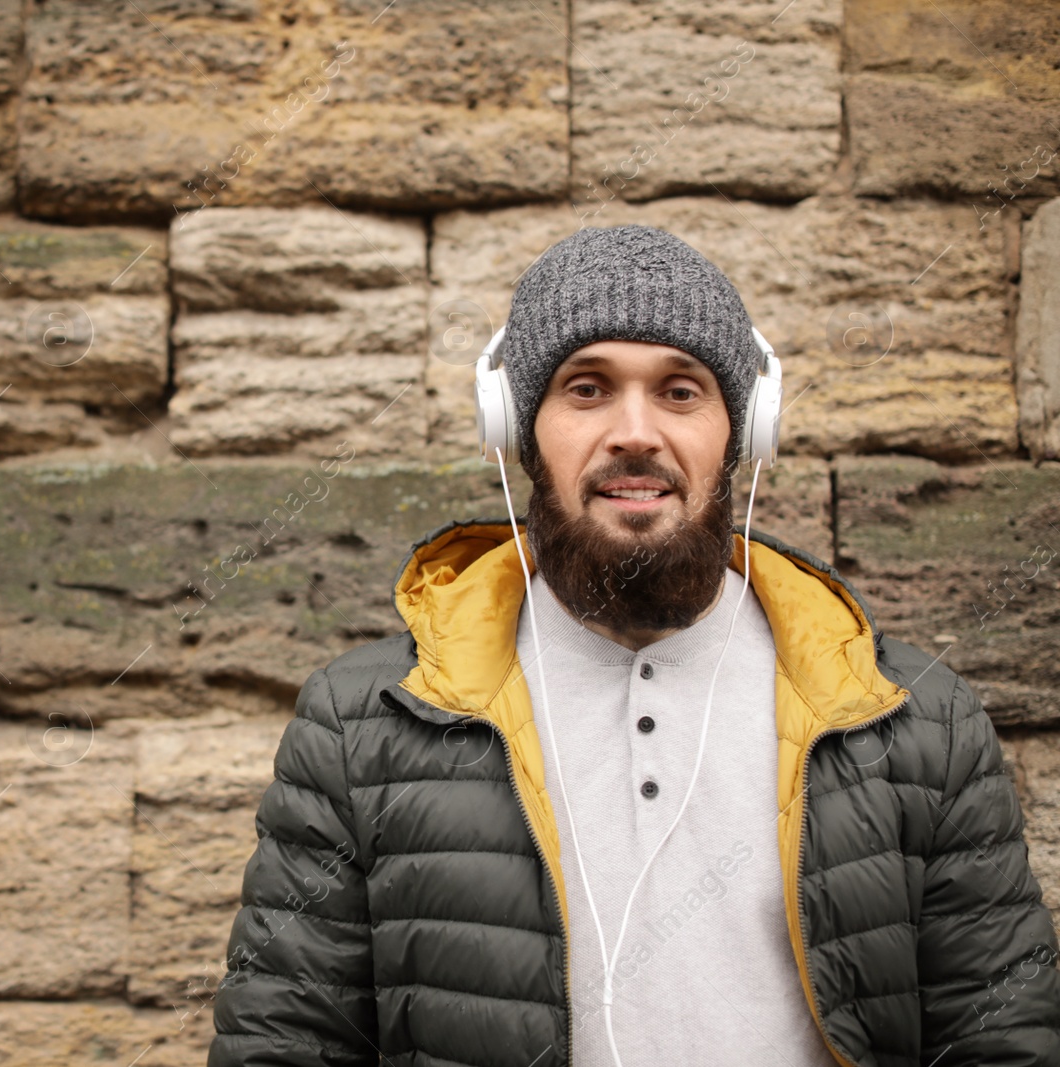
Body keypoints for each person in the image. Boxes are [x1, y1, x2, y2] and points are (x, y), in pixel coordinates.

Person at [207, 225, 1060, 1066]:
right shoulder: (360, 728)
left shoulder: (918, 725)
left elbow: (1003, 1041)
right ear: (515, 428)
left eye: (681, 391)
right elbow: (283, 1044)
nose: (635, 432)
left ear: (747, 431)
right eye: (587, 388)